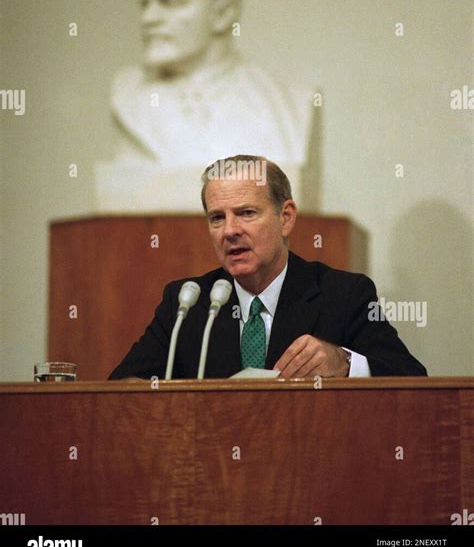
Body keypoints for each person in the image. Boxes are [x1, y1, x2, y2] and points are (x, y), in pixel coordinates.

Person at [109, 155, 427, 380]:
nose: (229, 230)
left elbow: (412, 379)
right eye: (217, 218)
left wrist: (344, 362)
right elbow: (122, 388)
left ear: (285, 217)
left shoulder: (342, 295)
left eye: (246, 213)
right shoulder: (187, 303)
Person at [95, 0, 314, 212]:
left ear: (221, 14)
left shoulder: (289, 104)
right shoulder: (127, 96)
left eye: (170, 2)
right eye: (145, 4)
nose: (148, 19)